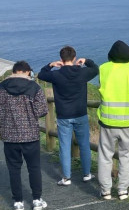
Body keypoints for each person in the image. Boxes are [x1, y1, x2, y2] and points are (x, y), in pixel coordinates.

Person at [0, 61, 49, 210]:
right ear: (27, 72)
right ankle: (36, 200)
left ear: (14, 71)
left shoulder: (1, 87)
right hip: (30, 134)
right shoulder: (34, 87)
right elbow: (42, 110)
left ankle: (18, 202)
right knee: (34, 168)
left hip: (9, 135)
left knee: (13, 169)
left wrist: (6, 115)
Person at [38, 46, 99, 186]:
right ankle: (87, 174)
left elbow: (41, 74)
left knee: (64, 147)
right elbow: (96, 69)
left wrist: (50, 65)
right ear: (75, 58)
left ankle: (66, 177)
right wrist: (87, 61)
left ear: (61, 59)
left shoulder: (55, 75)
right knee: (84, 145)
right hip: (80, 114)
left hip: (63, 116)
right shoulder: (82, 72)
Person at [96, 40, 129, 200]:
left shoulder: (104, 68)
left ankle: (105, 190)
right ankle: (122, 190)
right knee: (127, 156)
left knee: (105, 155)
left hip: (108, 121)